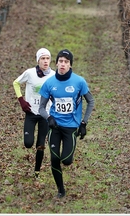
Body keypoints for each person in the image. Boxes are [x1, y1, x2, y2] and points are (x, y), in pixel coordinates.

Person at [39, 49, 95, 198]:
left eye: (66, 62)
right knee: (54, 158)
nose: (63, 64)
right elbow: (41, 108)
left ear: (70, 65)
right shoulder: (49, 83)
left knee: (67, 160)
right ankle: (60, 190)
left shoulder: (79, 82)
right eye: (61, 61)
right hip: (55, 127)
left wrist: (84, 123)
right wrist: (49, 118)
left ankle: (66, 164)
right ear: (56, 63)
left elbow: (91, 101)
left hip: (71, 127)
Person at [13, 48, 55, 180]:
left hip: (45, 114)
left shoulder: (54, 75)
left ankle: (37, 171)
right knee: (28, 143)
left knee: (41, 145)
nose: (45, 61)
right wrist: (21, 101)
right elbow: (16, 83)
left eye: (47, 58)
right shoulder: (30, 73)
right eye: (43, 59)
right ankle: (29, 142)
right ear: (38, 60)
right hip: (31, 113)